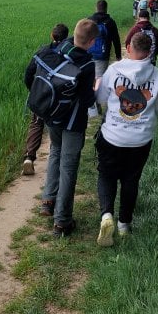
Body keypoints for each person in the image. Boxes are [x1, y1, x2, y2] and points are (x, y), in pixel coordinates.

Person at [27, 18, 99, 238]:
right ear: (92, 42)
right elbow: (86, 100)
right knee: (68, 167)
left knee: (55, 153)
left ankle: (48, 201)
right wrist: (95, 90)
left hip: (52, 117)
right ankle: (62, 222)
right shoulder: (87, 64)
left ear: (73, 35)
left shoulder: (56, 49)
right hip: (73, 122)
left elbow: (29, 76)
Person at [94, 32, 158, 246]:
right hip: (140, 139)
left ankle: (107, 215)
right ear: (149, 52)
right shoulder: (155, 74)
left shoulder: (114, 69)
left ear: (129, 48)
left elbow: (101, 98)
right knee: (131, 179)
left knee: (106, 175)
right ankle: (124, 225)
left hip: (112, 136)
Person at [22, 22, 69, 176]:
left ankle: (29, 157)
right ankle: (55, 161)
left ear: (51, 35)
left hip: (41, 95)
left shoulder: (42, 51)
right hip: (58, 99)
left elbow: (28, 74)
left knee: (36, 124)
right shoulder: (68, 54)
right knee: (56, 128)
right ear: (66, 37)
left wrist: (34, 89)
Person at [88, 0, 122, 80]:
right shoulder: (110, 22)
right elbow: (116, 40)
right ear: (106, 9)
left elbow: (83, 37)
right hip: (103, 55)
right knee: (100, 80)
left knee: (89, 80)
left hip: (88, 55)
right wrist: (118, 56)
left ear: (96, 8)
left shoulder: (89, 20)